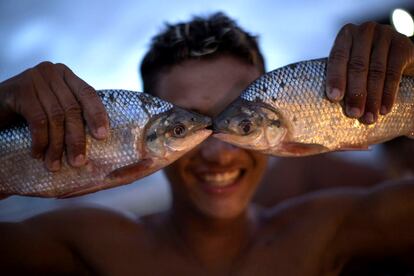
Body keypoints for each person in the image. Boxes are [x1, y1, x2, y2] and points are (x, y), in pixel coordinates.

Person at [1, 12, 414, 275]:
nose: (219, 149)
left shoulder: (332, 229)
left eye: (238, 118)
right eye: (188, 124)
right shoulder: (83, 244)